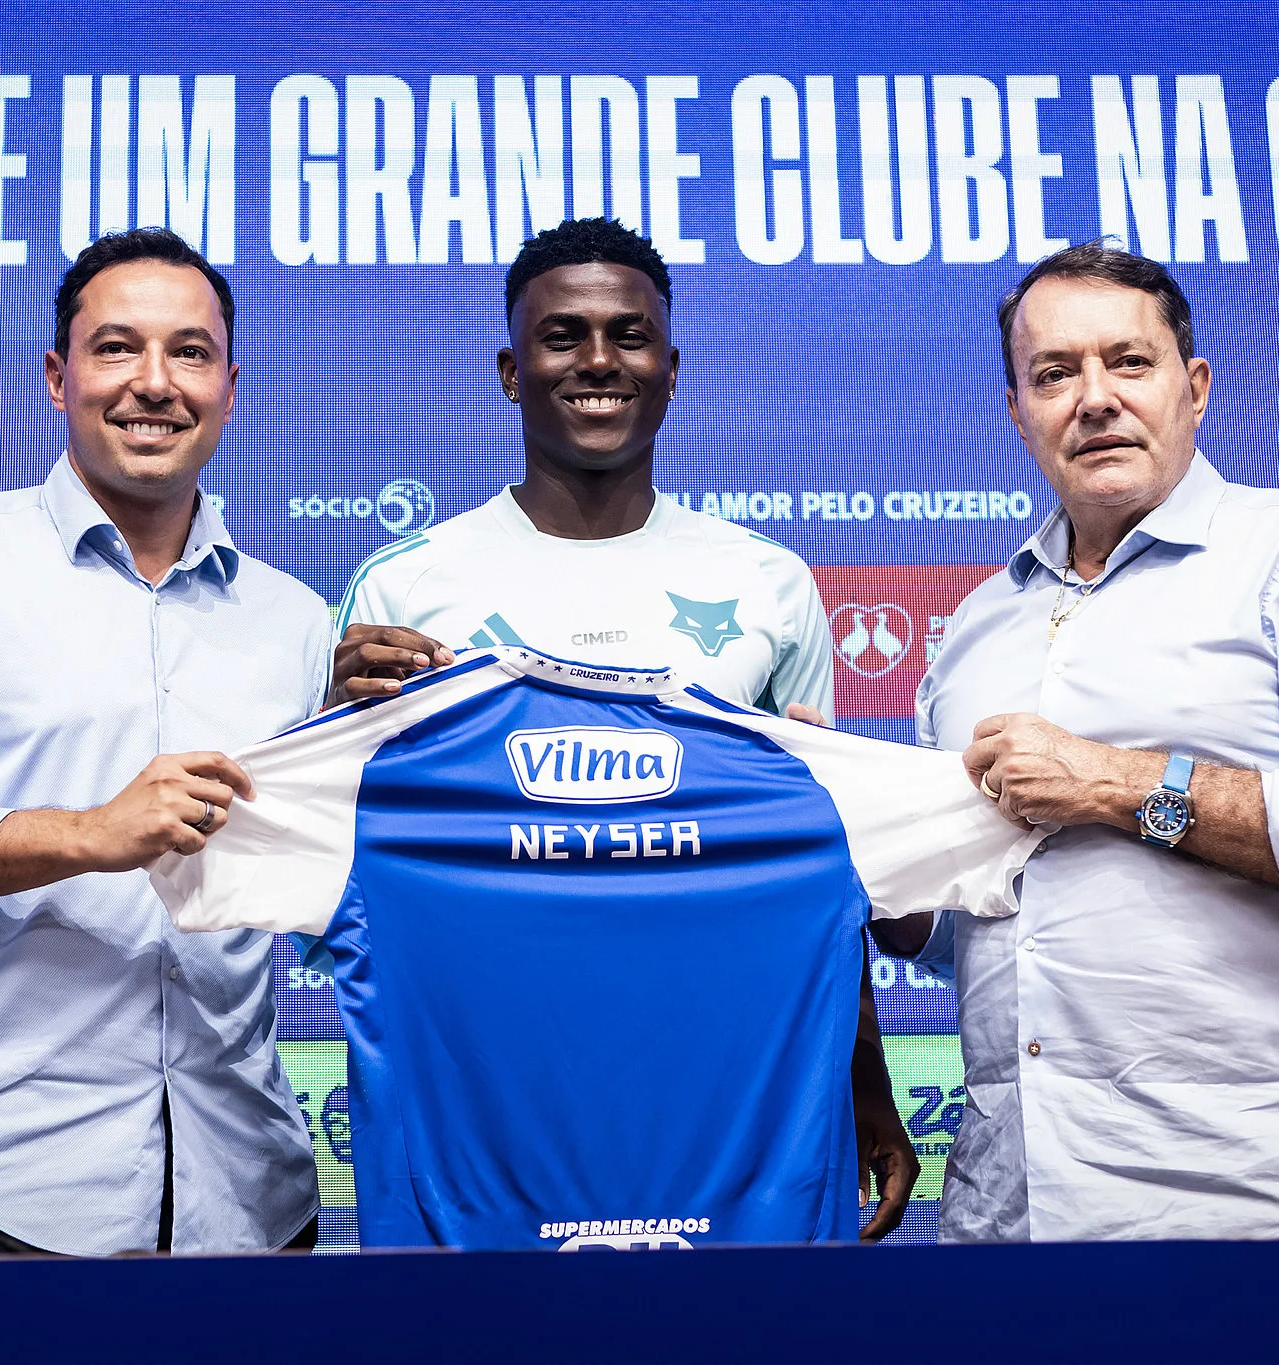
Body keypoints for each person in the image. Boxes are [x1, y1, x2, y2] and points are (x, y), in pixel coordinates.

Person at [328, 217, 920, 1238]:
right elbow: (349, 864)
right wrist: (335, 735)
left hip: (723, 1093)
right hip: (491, 1104)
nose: (597, 362)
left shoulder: (767, 584)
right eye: (562, 337)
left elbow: (821, 868)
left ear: (671, 368)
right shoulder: (404, 585)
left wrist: (862, 1080)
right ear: (512, 372)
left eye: (627, 335)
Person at [0, 228, 329, 1256]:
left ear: (230, 384)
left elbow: (315, 894)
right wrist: (84, 834)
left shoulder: (294, 619)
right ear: (56, 375)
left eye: (190, 354)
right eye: (116, 348)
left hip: (245, 1200)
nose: (154, 385)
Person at [911, 241, 1279, 1241]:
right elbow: (986, 930)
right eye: (1052, 374)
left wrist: (1119, 785)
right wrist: (846, 855)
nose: (1092, 398)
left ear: (1193, 386)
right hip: (1014, 1220)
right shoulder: (973, 628)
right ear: (1015, 411)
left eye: (1127, 362)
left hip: (1266, 1213)